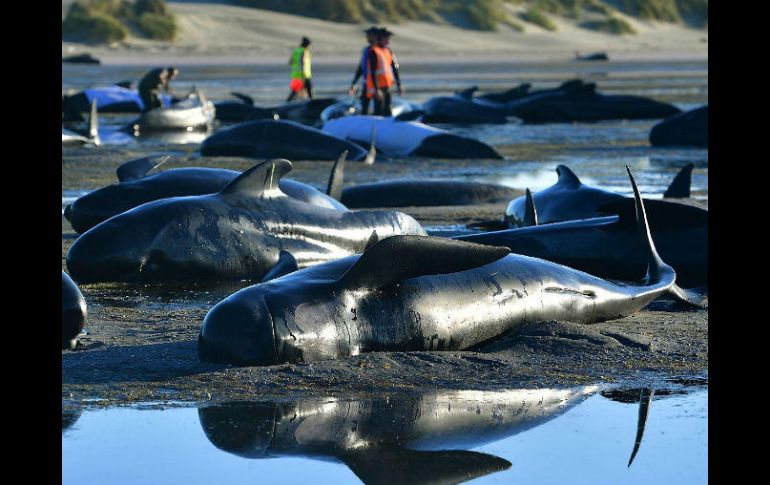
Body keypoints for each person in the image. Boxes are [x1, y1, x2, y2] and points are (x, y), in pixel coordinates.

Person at [365, 28, 403, 116]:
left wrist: (399, 84)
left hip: (386, 86)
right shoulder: (373, 52)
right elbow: (373, 72)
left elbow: (394, 68)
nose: (388, 41)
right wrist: (376, 89)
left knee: (387, 108)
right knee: (378, 110)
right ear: (379, 39)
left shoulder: (388, 50)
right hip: (378, 87)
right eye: (386, 38)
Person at [348, 26, 379, 115]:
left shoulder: (379, 51)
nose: (367, 37)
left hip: (379, 86)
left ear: (375, 36)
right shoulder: (367, 50)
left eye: (369, 35)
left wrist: (377, 88)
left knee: (379, 110)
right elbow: (361, 68)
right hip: (368, 85)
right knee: (365, 108)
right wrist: (353, 83)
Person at [287, 37, 312, 101]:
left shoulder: (296, 50)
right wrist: (303, 74)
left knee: (296, 90)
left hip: (296, 74)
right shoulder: (304, 51)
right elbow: (302, 62)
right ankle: (311, 102)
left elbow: (290, 62)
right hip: (303, 75)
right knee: (308, 89)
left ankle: (288, 102)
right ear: (306, 45)